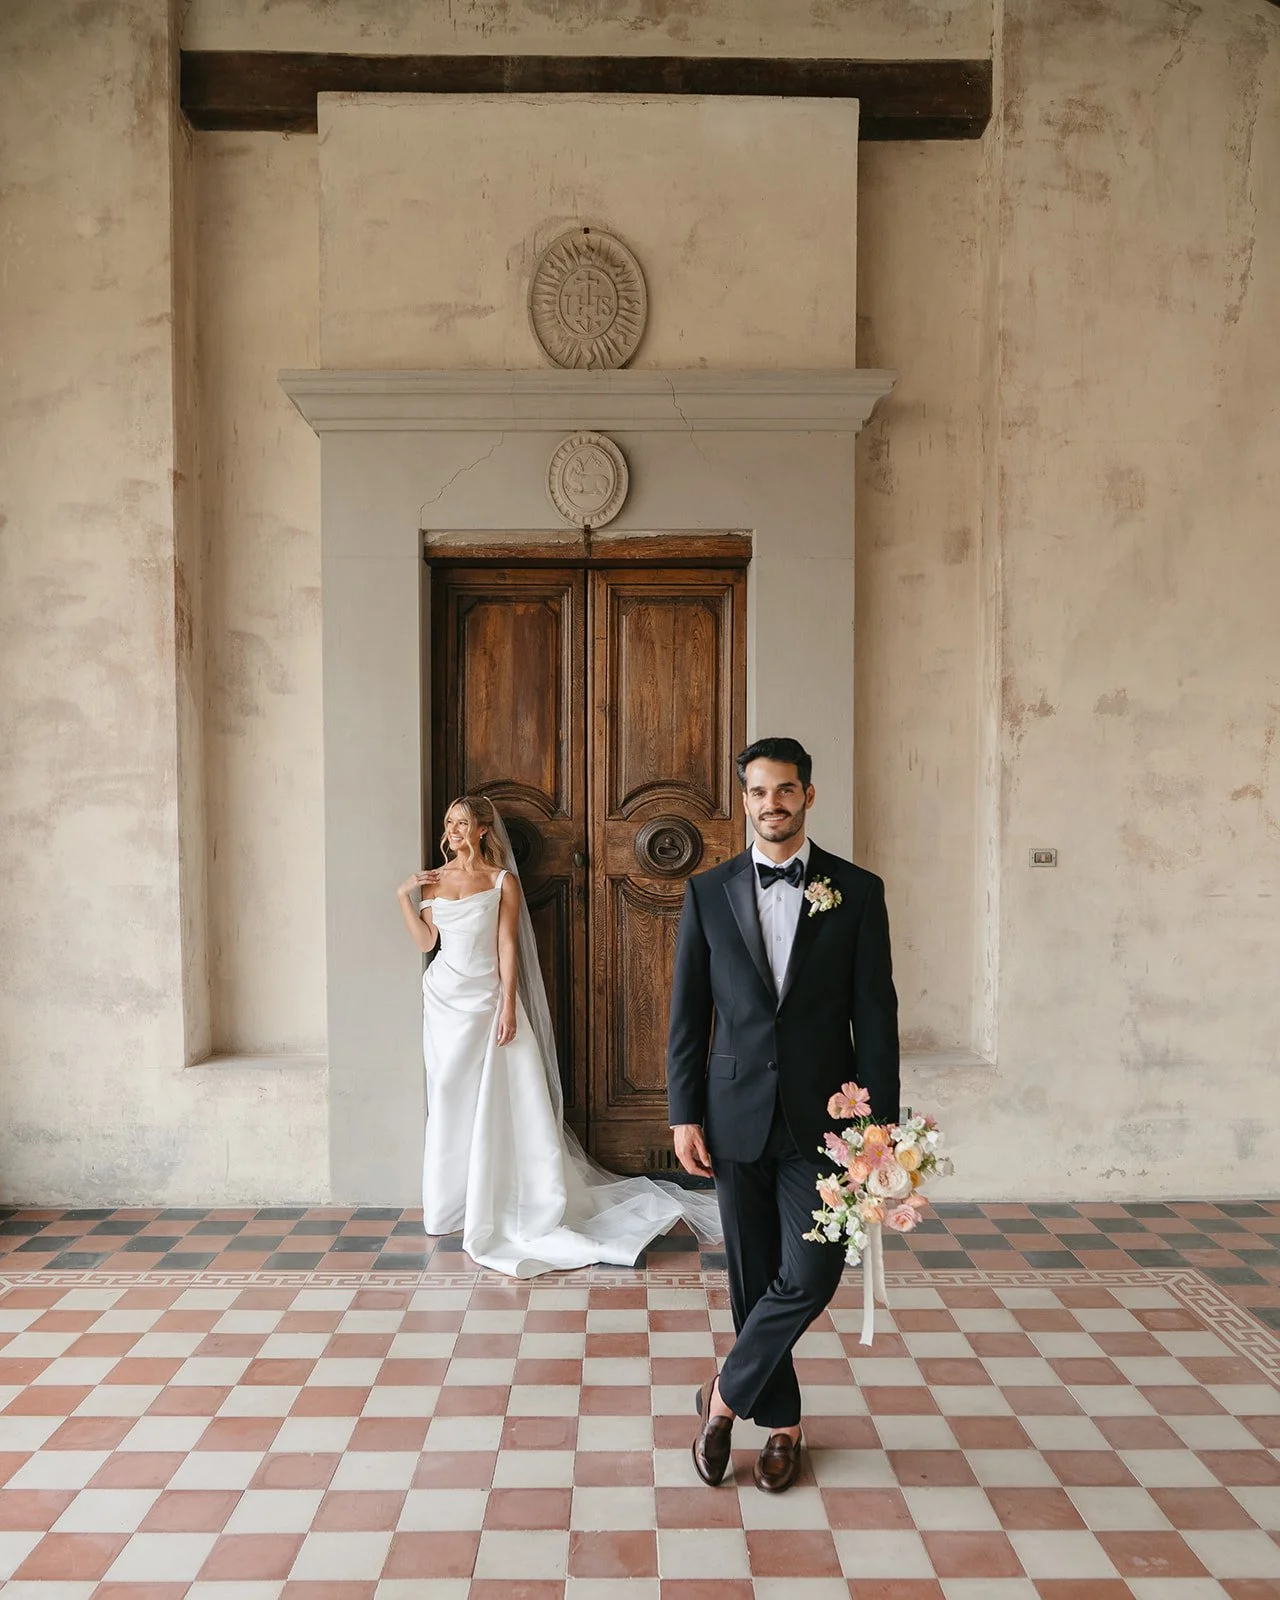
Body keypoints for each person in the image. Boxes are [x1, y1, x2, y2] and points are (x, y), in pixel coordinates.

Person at [667, 736, 900, 1492]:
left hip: (825, 1124)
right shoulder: (707, 892)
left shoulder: (857, 892)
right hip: (732, 1116)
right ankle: (785, 1426)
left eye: (787, 790)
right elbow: (687, 1016)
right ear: (744, 800)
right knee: (753, 1277)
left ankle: (724, 1399)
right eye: (760, 792)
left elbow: (877, 1018)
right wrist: (683, 1113)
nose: (774, 803)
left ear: (808, 795)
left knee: (810, 1272)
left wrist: (879, 1134)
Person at [397, 793, 719, 1278]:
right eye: (449, 822)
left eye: (463, 822)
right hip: (443, 1002)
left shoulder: (501, 881)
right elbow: (426, 943)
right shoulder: (435, 880)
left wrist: (508, 1004)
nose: (454, 830)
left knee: (496, 1102)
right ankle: (450, 1203)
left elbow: (507, 948)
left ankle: (497, 1198)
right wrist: (404, 896)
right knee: (447, 1097)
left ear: (483, 829)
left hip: (486, 1002)